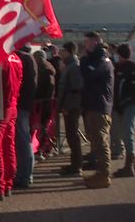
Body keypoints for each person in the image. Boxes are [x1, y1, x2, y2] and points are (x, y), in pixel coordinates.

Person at [80, 31, 114, 189]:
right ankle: (100, 173)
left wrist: (85, 60)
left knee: (101, 142)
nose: (85, 46)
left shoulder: (102, 60)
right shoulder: (96, 59)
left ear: (95, 42)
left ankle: (103, 175)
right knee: (96, 140)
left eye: (87, 43)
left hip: (99, 106)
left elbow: (88, 74)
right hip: (94, 104)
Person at [0, 52, 22, 200]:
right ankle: (8, 183)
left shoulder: (0, 58)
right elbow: (18, 82)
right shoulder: (17, 58)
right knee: (8, 145)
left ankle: (0, 186)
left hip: (2, 107)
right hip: (13, 106)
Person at [112, 43, 135, 178]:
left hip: (130, 104)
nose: (117, 57)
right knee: (119, 132)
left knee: (127, 132)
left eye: (118, 54)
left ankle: (129, 165)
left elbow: (134, 90)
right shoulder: (117, 67)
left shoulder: (132, 67)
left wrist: (123, 103)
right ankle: (131, 165)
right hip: (119, 105)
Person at [57, 41, 84, 176]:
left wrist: (67, 106)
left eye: (63, 50)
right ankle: (75, 163)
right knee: (71, 135)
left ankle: (77, 165)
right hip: (70, 105)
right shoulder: (70, 65)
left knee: (72, 135)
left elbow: (76, 90)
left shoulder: (74, 67)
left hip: (72, 107)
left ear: (69, 51)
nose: (60, 53)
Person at [14, 45, 37, 188]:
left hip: (20, 103)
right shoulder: (30, 59)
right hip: (25, 103)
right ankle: (27, 174)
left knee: (22, 140)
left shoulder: (23, 59)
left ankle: (25, 175)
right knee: (24, 140)